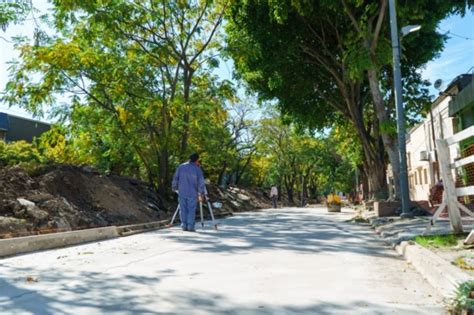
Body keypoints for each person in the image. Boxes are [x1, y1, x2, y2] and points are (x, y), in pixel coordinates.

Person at [172, 153, 206, 232]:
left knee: (183, 209)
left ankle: (184, 226)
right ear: (197, 160)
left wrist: (174, 187)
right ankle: (190, 227)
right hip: (192, 193)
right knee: (191, 210)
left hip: (182, 192)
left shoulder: (181, 166)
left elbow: (175, 177)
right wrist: (201, 193)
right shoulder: (197, 169)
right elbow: (201, 182)